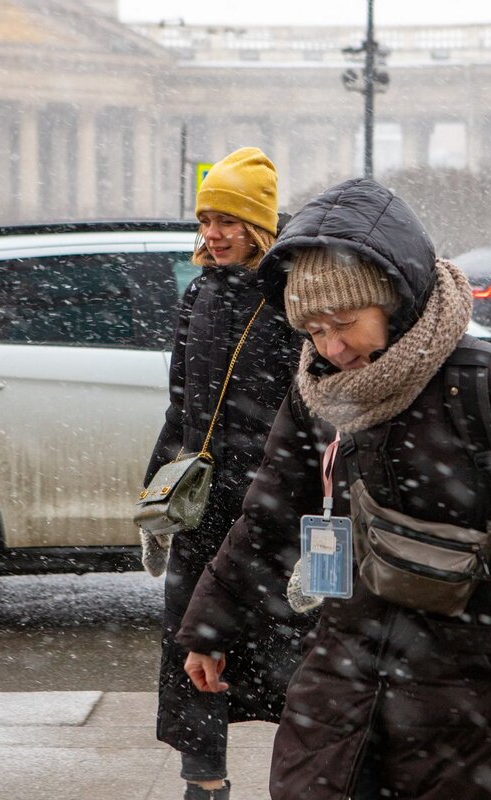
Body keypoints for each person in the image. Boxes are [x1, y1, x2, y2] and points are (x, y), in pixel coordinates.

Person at [177, 177, 491, 800]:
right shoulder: (317, 391)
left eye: (344, 324)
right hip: (340, 681)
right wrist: (210, 625)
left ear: (394, 300)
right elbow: (268, 517)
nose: (331, 349)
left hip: (471, 696)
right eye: (312, 331)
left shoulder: (484, 385)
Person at [141, 147, 306, 800]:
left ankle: (307, 778)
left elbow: (312, 410)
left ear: (258, 224)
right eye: (206, 220)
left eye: (227, 221)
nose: (213, 234)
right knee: (194, 646)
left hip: (273, 509)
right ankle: (203, 783)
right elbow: (182, 408)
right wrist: (157, 496)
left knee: (292, 653)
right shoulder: (201, 291)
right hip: (206, 507)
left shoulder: (290, 298)